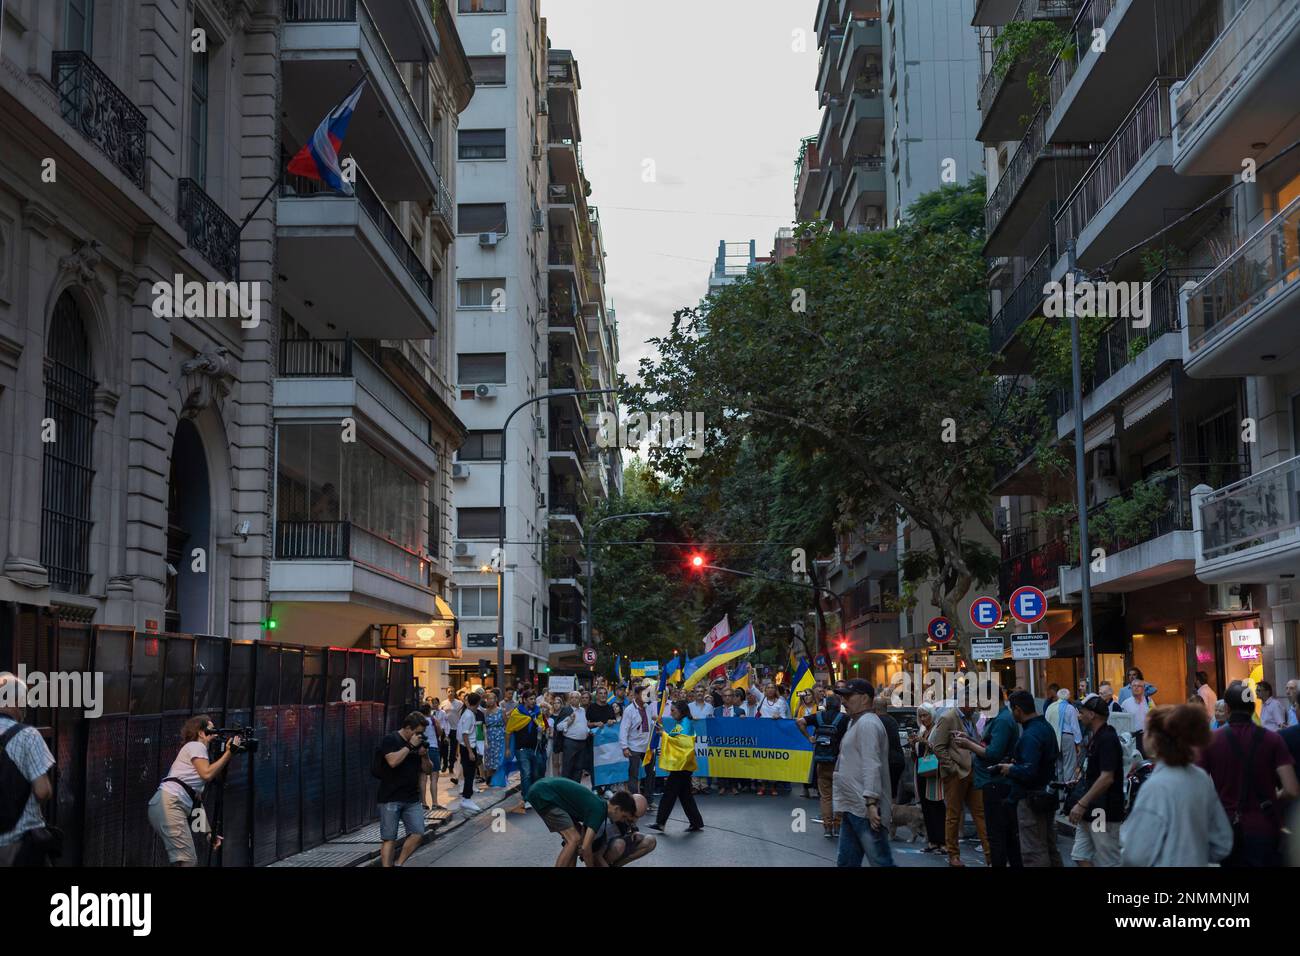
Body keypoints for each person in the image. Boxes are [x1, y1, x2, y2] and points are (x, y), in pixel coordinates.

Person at [1198, 681, 1299, 867]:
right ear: (1253, 707)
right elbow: (1292, 789)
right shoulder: (1273, 740)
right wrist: (1274, 796)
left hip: (1226, 827)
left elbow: (1197, 786)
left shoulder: (1211, 741)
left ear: (1227, 708)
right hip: (1265, 827)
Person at [1120, 704, 1234, 867]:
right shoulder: (1200, 778)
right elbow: (1222, 842)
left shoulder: (1155, 787)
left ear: (1155, 739)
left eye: (1147, 731)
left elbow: (1136, 855)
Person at [146, 714, 241, 867]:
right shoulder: (197, 746)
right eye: (211, 729)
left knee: (183, 861)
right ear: (201, 733)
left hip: (165, 804)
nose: (215, 732)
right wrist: (229, 753)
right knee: (188, 860)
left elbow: (196, 802)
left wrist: (209, 833)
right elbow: (208, 773)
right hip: (169, 804)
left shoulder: (195, 751)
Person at [955, 682, 1021, 867]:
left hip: (997, 783)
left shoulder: (1002, 720)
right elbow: (986, 746)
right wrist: (969, 739)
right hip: (992, 781)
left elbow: (993, 753)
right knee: (1003, 835)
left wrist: (969, 745)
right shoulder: (996, 718)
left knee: (998, 835)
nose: (978, 704)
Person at [831, 679, 894, 868]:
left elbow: (871, 764)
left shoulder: (867, 724)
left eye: (848, 696)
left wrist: (871, 802)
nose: (843, 701)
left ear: (865, 698)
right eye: (842, 696)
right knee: (847, 862)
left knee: (881, 862)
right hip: (853, 806)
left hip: (865, 809)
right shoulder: (855, 722)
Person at [0, 673, 57, 868]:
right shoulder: (28, 736)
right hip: (19, 846)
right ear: (14, 701)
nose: (25, 707)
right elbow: (43, 791)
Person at [526, 777, 647, 867]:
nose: (623, 821)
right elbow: (586, 849)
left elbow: (583, 845)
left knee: (575, 838)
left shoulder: (599, 806)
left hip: (546, 793)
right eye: (624, 816)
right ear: (616, 809)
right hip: (543, 795)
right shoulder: (599, 811)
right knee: (574, 839)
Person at [1000, 690, 1061, 867]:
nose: (1013, 714)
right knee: (1048, 846)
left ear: (1018, 709)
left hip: (1031, 798)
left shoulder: (1031, 734)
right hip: (1046, 796)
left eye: (1013, 710)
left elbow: (1028, 771)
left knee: (1034, 850)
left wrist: (1010, 769)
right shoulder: (1045, 728)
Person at [929, 700, 990, 867]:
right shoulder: (948, 718)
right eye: (973, 703)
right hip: (956, 774)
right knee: (953, 815)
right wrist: (953, 768)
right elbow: (938, 746)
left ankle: (990, 855)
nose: (976, 706)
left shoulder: (970, 718)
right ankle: (953, 855)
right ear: (965, 702)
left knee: (980, 813)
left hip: (973, 771)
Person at [1068, 695, 1125, 867]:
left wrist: (1082, 803)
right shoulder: (1097, 736)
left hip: (1102, 810)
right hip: (1092, 808)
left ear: (1092, 715)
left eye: (1082, 712)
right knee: (1080, 855)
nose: (1079, 716)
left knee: (1107, 858)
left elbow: (1107, 778)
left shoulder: (1107, 738)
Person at [373, 711, 435, 866]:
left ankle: (399, 864)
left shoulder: (418, 743)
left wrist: (424, 756)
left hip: (411, 797)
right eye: (417, 732)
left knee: (418, 833)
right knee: (389, 838)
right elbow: (392, 761)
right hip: (390, 796)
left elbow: (428, 770)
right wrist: (409, 746)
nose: (420, 736)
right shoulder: (390, 739)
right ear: (408, 728)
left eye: (422, 733)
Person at [649, 699, 704, 833]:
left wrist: (664, 734)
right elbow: (677, 740)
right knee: (685, 796)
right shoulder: (682, 723)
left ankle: (660, 822)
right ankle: (696, 822)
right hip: (683, 765)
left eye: (673, 710)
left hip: (682, 766)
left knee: (669, 794)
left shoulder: (685, 724)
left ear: (681, 711)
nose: (671, 713)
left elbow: (684, 744)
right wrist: (664, 732)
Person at [799, 693, 846, 839]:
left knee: (825, 796)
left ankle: (827, 827)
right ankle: (838, 826)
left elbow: (799, 721)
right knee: (839, 796)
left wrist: (810, 738)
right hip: (839, 763)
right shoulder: (844, 719)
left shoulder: (818, 716)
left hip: (822, 762)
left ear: (826, 705)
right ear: (839, 706)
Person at [910, 704, 945, 854]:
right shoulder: (923, 730)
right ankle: (932, 841)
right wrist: (914, 745)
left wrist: (924, 743)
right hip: (922, 771)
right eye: (921, 716)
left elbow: (941, 749)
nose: (923, 719)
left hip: (934, 773)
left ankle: (943, 842)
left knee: (937, 806)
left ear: (932, 714)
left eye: (926, 715)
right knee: (926, 806)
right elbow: (917, 754)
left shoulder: (937, 729)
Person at [506, 688, 548, 808]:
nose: (533, 701)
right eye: (531, 699)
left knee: (536, 773)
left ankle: (535, 796)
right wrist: (507, 748)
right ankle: (526, 798)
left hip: (535, 748)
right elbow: (508, 731)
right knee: (526, 773)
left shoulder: (538, 712)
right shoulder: (516, 713)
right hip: (522, 749)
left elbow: (543, 725)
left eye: (534, 699)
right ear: (524, 700)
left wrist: (541, 728)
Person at [618, 682, 657, 807]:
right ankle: (635, 801)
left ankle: (649, 799)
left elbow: (651, 722)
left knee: (650, 774)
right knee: (633, 775)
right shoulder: (629, 710)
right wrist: (624, 747)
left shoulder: (648, 707)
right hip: (634, 747)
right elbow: (623, 729)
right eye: (643, 694)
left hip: (647, 747)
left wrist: (656, 720)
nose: (646, 696)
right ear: (635, 695)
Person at [872, 695, 905, 802]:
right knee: (892, 792)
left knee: (881, 793)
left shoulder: (875, 721)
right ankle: (891, 813)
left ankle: (884, 815)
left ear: (874, 708)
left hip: (886, 761)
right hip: (897, 760)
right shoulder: (892, 720)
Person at [1046, 688, 1083, 783]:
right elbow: (1074, 726)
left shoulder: (1051, 707)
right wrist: (1078, 743)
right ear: (1068, 696)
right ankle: (1068, 791)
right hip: (1067, 737)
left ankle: (1060, 793)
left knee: (1059, 766)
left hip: (1054, 738)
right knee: (1069, 765)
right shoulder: (1070, 708)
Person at [456, 692, 483, 812]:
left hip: (468, 746)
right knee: (469, 774)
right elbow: (465, 734)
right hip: (468, 747)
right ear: (477, 702)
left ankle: (467, 798)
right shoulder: (469, 715)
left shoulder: (469, 713)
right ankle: (467, 799)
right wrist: (470, 751)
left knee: (470, 774)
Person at [556, 691, 590, 784]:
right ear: (569, 699)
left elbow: (584, 724)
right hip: (570, 742)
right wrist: (568, 722)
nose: (574, 699)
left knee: (578, 768)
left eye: (576, 697)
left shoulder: (582, 710)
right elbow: (558, 727)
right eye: (572, 697)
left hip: (582, 743)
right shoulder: (566, 710)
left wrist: (587, 731)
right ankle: (565, 789)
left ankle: (575, 789)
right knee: (568, 767)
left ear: (579, 699)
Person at [1120, 678, 1152, 756]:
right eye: (1134, 686)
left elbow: (1154, 717)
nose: (1136, 688)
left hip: (1146, 737)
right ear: (1131, 688)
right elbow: (1122, 723)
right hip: (1133, 739)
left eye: (1139, 686)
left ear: (1143, 688)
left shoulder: (1149, 701)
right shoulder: (1125, 704)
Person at [418, 703, 441, 810]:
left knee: (423, 778)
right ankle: (435, 803)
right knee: (434, 777)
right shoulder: (433, 719)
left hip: (422, 749)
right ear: (429, 710)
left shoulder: (418, 721)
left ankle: (423, 803)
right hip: (433, 748)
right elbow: (440, 732)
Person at [482, 691, 506, 785]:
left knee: (499, 758)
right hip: (489, 736)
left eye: (492, 698)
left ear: (496, 700)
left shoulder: (501, 710)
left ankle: (498, 779)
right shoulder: (485, 712)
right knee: (489, 758)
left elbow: (506, 723)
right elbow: (484, 725)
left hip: (499, 736)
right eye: (488, 699)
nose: (490, 701)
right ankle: (489, 777)